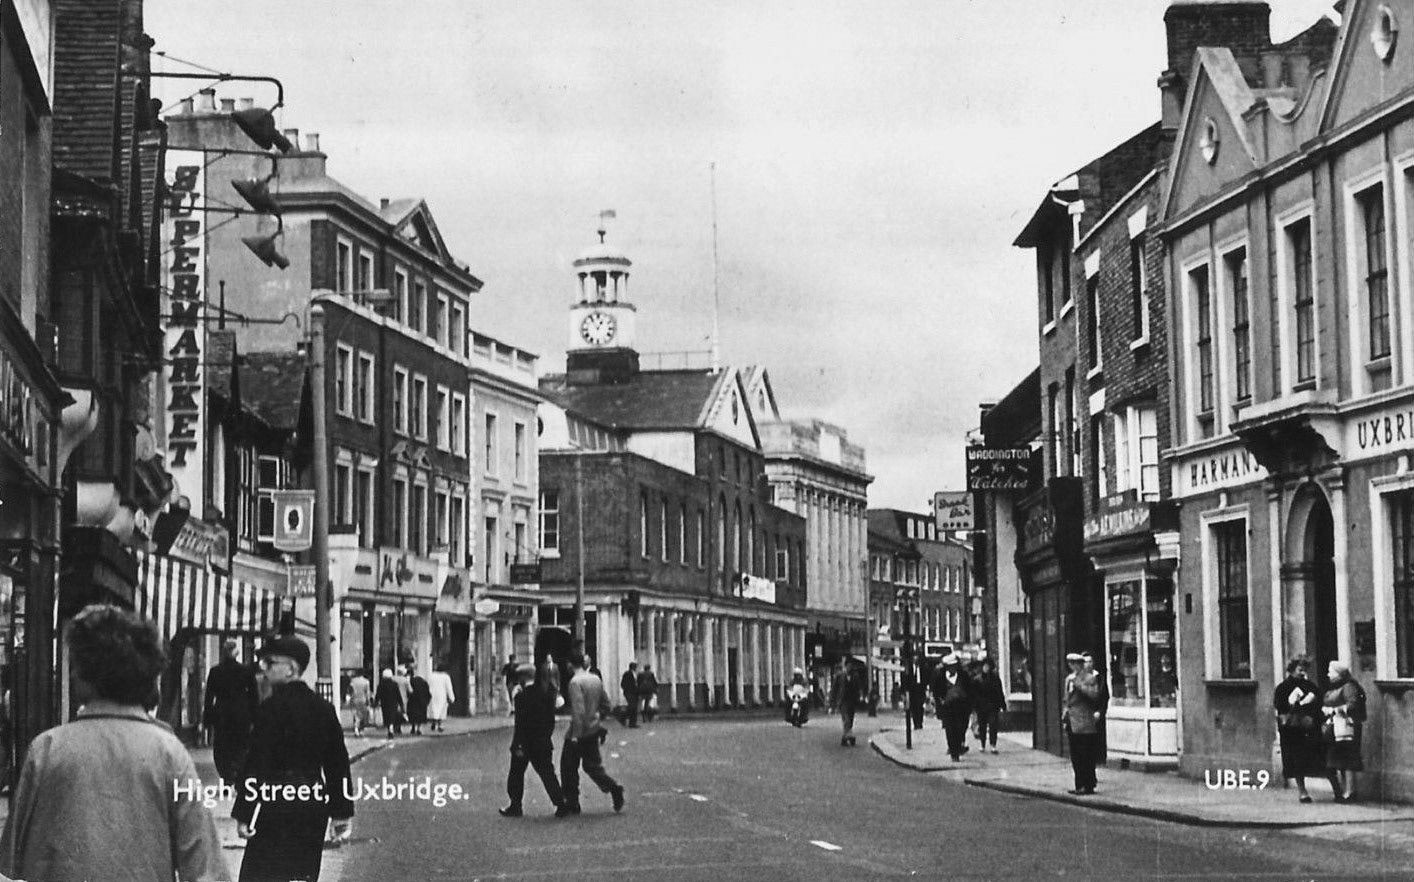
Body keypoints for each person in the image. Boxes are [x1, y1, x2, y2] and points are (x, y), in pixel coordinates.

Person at [0, 604, 229, 882]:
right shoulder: (170, 753)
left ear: (85, 677)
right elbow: (205, 868)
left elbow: (9, 862)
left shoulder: (47, 749)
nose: (71, 675)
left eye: (75, 666)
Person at [234, 635, 354, 882]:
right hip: (311, 805)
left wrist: (245, 812)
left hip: (274, 806)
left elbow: (256, 764)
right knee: (301, 874)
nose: (263, 669)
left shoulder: (269, 709)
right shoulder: (323, 708)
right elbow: (337, 764)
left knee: (260, 874)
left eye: (270, 663)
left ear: (291, 669)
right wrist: (341, 812)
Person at [560, 651, 625, 815]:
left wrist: (575, 734)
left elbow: (578, 710)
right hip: (593, 729)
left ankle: (572, 801)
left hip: (579, 731)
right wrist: (597, 717)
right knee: (592, 766)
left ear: (569, 664)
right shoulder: (595, 679)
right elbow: (606, 704)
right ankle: (613, 787)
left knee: (568, 767)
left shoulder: (574, 682)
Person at [501, 660, 567, 818]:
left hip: (524, 743)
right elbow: (551, 718)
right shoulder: (547, 693)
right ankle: (560, 803)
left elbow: (520, 723)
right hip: (542, 741)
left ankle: (515, 805)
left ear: (522, 679)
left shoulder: (522, 697)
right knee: (547, 774)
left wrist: (518, 745)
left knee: (516, 775)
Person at [203, 637, 259, 783]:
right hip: (241, 712)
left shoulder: (215, 671)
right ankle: (237, 773)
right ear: (237, 653)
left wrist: (207, 720)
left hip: (221, 712)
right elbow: (254, 696)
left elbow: (209, 697)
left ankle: (227, 776)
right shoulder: (245, 671)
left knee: (222, 747)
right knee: (240, 745)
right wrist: (255, 717)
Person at [1273, 656, 1324, 803]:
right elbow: (1279, 706)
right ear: (1292, 669)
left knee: (1316, 756)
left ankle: (1336, 789)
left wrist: (1311, 703)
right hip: (1292, 730)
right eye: (1300, 669)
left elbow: (1318, 702)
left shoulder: (1310, 686)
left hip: (1308, 727)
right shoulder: (1283, 687)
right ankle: (1302, 791)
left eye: (1304, 670)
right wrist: (1294, 703)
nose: (1302, 673)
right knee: (1296, 760)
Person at [1322, 660, 1367, 803]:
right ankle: (1344, 791)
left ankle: (1350, 791)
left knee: (1348, 759)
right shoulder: (1335, 687)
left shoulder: (1348, 686)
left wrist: (1335, 710)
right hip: (1336, 728)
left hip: (1347, 728)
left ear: (1339, 674)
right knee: (1339, 759)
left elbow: (1352, 705)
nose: (1328, 674)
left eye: (1331, 671)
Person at [1063, 651, 1104, 795]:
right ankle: (1079, 784)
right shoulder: (1068, 679)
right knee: (1075, 756)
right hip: (1072, 722)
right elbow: (1066, 700)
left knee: (1086, 754)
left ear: (1080, 665)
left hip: (1085, 722)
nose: (1073, 667)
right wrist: (1065, 716)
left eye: (1075, 664)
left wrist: (1079, 685)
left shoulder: (1089, 678)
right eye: (1070, 664)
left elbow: (1094, 695)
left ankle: (1088, 784)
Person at [932, 654, 973, 761]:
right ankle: (954, 753)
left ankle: (958, 746)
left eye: (954, 666)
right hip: (948, 708)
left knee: (960, 729)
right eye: (950, 666)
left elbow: (971, 691)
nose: (952, 669)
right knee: (950, 730)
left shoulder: (964, 676)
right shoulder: (940, 678)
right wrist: (940, 704)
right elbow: (936, 693)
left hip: (962, 708)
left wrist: (970, 706)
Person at [972, 657, 1007, 754]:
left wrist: (1002, 704)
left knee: (993, 725)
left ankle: (993, 745)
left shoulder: (995, 679)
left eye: (988, 666)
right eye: (985, 666)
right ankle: (982, 744)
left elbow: (999, 692)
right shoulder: (977, 680)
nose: (986, 668)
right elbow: (974, 694)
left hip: (993, 705)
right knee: (982, 725)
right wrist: (975, 705)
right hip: (981, 706)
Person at [831, 656, 864, 746]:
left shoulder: (855, 676)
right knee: (846, 719)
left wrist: (860, 696)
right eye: (848, 666)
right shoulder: (840, 676)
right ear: (846, 666)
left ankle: (845, 737)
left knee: (850, 719)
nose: (850, 668)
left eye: (851, 666)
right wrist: (832, 701)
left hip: (852, 701)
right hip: (843, 701)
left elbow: (858, 687)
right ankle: (849, 735)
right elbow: (834, 689)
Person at [375, 667, 405, 738]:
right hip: (393, 703)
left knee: (386, 717)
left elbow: (378, 694)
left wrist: (376, 702)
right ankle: (391, 728)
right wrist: (401, 704)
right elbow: (398, 695)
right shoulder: (394, 684)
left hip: (384, 703)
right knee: (392, 716)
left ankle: (389, 728)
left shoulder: (381, 684)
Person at [426, 663, 455, 733]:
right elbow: (449, 688)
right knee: (441, 710)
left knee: (433, 709)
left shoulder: (431, 676)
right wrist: (452, 698)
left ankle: (434, 722)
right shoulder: (446, 677)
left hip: (432, 694)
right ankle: (440, 724)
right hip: (442, 695)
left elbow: (427, 685)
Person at [347, 669, 373, 737]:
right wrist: (368, 701)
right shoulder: (366, 681)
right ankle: (361, 730)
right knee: (363, 716)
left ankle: (356, 729)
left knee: (356, 715)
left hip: (354, 699)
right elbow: (367, 692)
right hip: (363, 700)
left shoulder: (353, 681)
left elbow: (350, 690)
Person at [408, 668, 431, 736]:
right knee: (420, 716)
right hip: (422, 701)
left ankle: (413, 727)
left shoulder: (411, 681)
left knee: (413, 714)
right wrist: (427, 701)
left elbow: (409, 691)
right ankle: (418, 728)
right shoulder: (424, 682)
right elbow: (428, 693)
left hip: (413, 700)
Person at [620, 661, 640, 728]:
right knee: (632, 706)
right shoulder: (627, 674)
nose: (636, 668)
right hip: (629, 692)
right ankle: (623, 716)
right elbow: (623, 683)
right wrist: (626, 689)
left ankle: (632, 723)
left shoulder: (635, 674)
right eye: (635, 667)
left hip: (635, 693)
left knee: (634, 708)